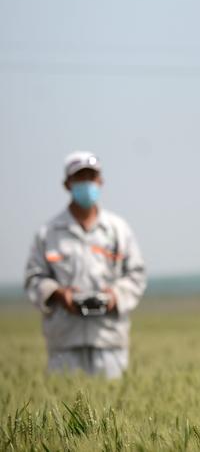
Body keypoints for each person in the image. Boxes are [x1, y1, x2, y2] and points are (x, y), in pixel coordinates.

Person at [24, 151, 147, 379]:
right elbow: (33, 278)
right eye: (80, 178)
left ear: (100, 181)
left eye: (91, 177)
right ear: (67, 184)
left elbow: (137, 275)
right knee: (64, 407)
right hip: (65, 342)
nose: (86, 183)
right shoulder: (48, 233)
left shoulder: (118, 230)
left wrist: (114, 296)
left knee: (114, 409)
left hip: (108, 340)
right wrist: (59, 294)